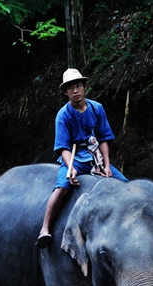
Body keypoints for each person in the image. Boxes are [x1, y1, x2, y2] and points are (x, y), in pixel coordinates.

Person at [36, 68, 128, 248]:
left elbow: (103, 139)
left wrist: (107, 165)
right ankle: (45, 229)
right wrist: (71, 168)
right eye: (71, 88)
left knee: (125, 185)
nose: (75, 91)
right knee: (62, 188)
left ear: (85, 87)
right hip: (75, 157)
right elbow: (63, 147)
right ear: (66, 92)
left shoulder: (97, 108)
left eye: (78, 86)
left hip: (95, 156)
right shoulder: (63, 115)